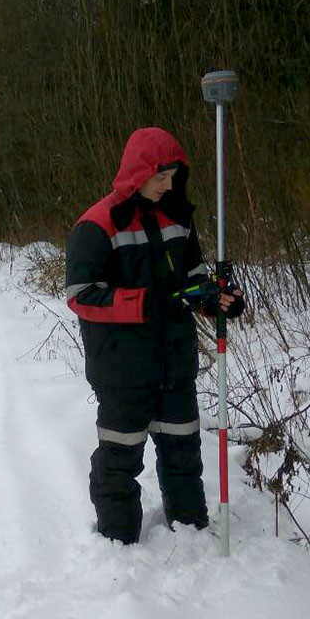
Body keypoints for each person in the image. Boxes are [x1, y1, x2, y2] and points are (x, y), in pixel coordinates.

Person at [65, 127, 244, 545]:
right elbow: (82, 295)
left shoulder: (178, 219)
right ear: (139, 172)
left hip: (175, 358)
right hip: (121, 366)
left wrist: (216, 300)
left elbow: (195, 280)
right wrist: (146, 303)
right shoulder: (97, 224)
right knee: (120, 456)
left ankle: (190, 526)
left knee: (182, 447)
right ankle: (117, 540)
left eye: (174, 176)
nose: (169, 184)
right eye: (162, 176)